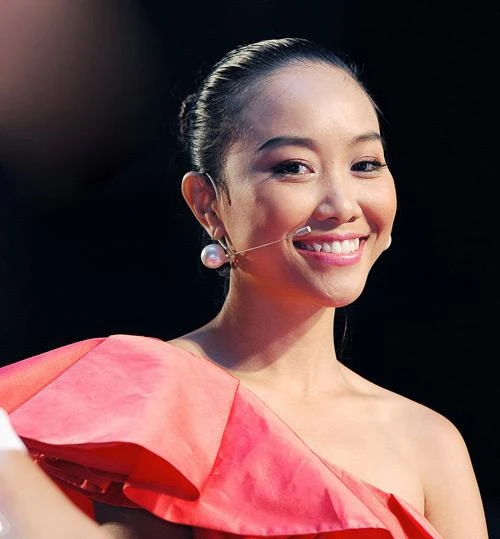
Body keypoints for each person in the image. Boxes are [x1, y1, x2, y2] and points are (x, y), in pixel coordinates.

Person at [0, 37, 489, 539]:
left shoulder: (427, 442)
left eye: (365, 164)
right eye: (293, 167)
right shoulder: (153, 397)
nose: (342, 205)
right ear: (207, 204)